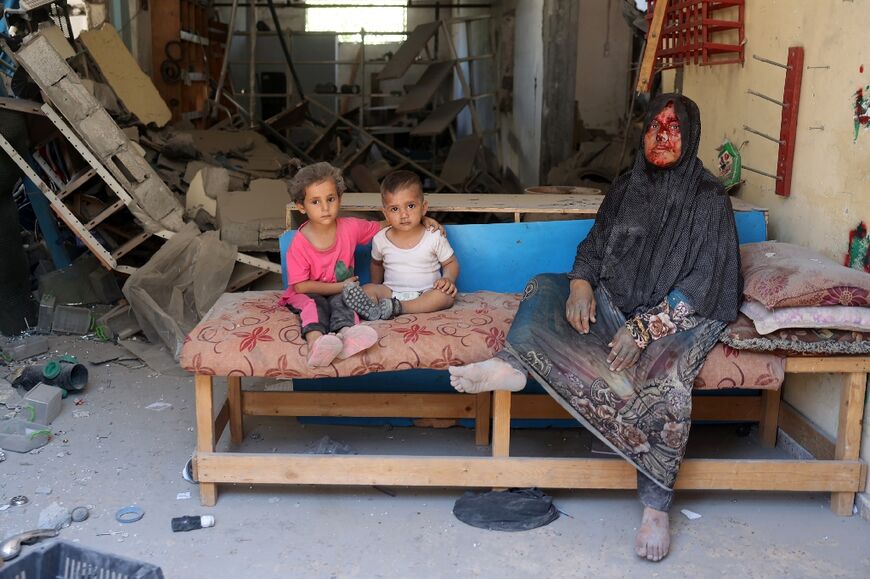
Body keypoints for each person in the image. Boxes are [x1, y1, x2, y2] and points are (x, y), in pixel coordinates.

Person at [448, 93, 742, 562]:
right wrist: (582, 284)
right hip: (612, 303)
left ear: (692, 138)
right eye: (654, 126)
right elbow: (594, 243)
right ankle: (514, 365)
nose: (662, 135)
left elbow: (706, 285)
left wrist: (644, 330)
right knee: (546, 286)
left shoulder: (708, 199)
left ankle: (655, 505)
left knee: (666, 381)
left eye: (674, 128)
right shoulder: (628, 185)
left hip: (677, 317)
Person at [279, 163, 443, 367]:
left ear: (339, 198)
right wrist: (341, 286)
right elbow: (301, 286)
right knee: (315, 306)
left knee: (347, 302)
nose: (325, 208)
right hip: (307, 293)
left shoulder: (350, 227)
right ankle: (316, 343)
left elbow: (387, 223)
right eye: (315, 202)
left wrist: (422, 219)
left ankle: (347, 337)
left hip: (341, 291)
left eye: (330, 199)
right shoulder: (300, 243)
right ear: (301, 206)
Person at [342, 171, 459, 320]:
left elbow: (451, 262)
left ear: (423, 208)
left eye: (410, 206)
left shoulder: (433, 235)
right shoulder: (380, 239)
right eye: (395, 209)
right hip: (391, 292)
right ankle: (374, 309)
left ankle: (400, 308)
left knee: (445, 296)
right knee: (367, 289)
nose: (404, 215)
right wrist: (376, 287)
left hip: (426, 292)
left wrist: (448, 279)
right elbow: (376, 264)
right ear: (385, 214)